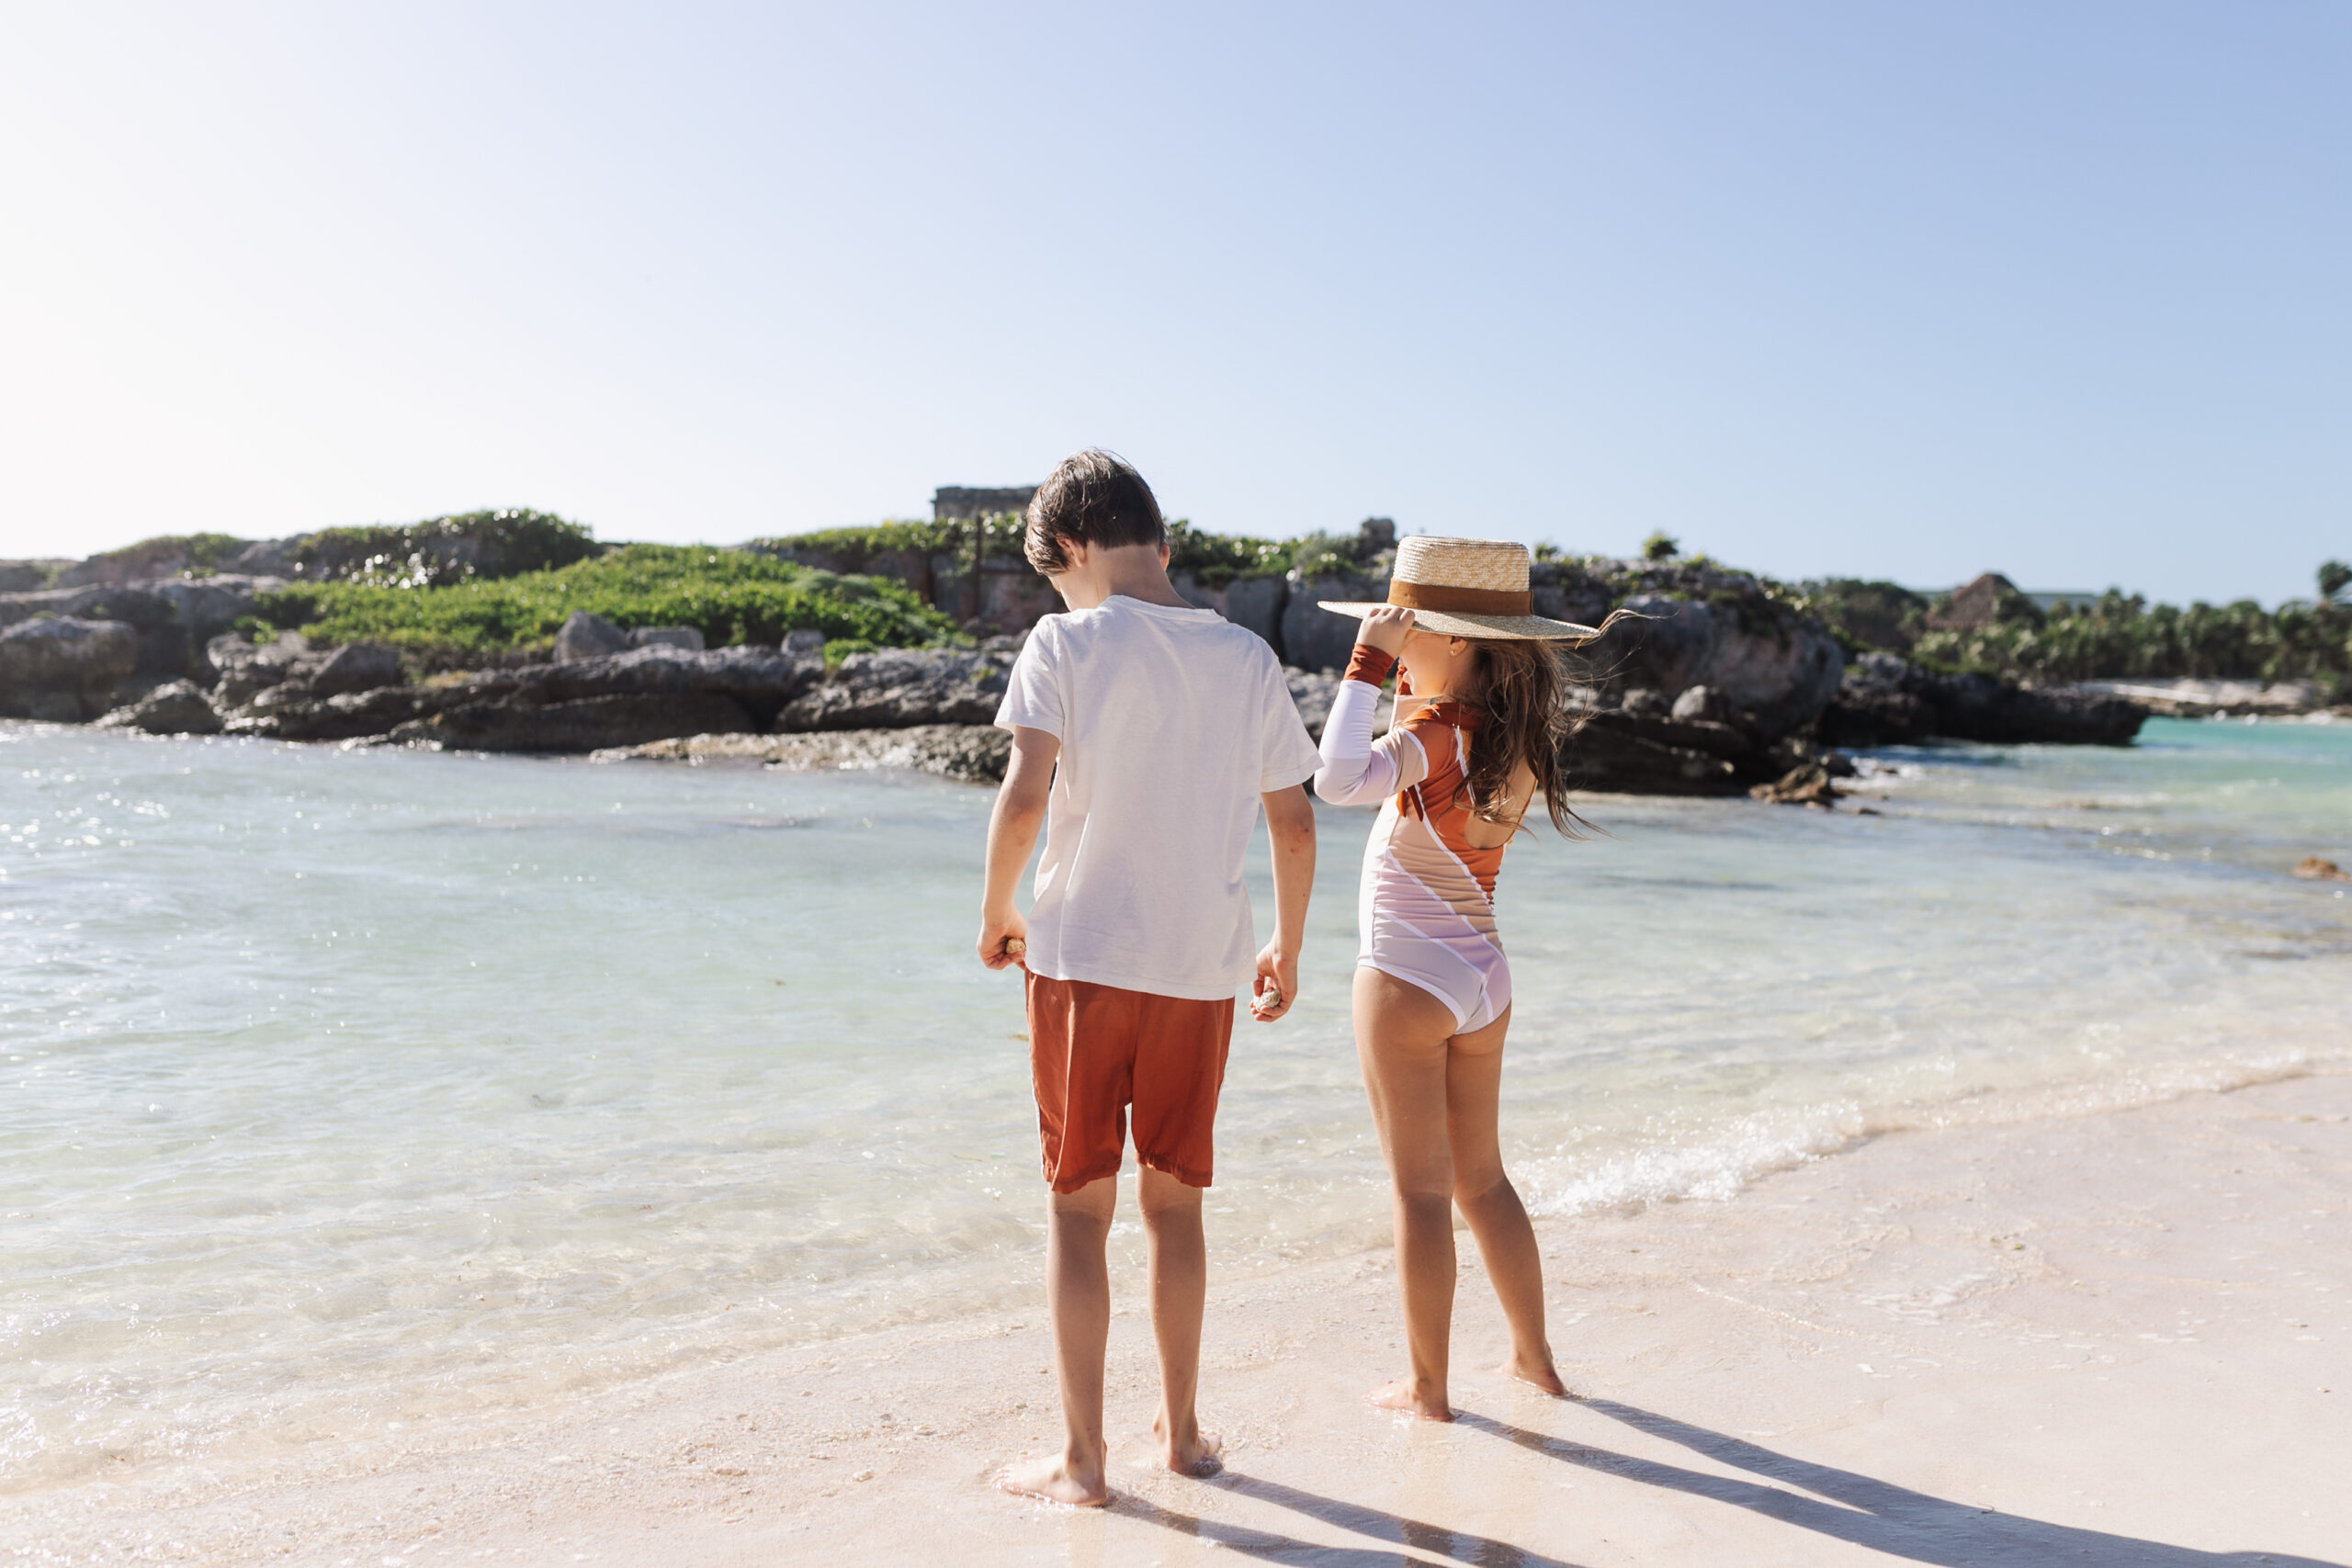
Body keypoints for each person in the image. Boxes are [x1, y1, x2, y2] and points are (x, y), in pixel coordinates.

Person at [977, 449, 1321, 1505]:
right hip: (1199, 970)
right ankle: (1180, 1433)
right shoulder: (1248, 657)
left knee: (1079, 1214)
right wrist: (1288, 947)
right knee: (1177, 1213)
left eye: (1055, 576)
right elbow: (1295, 819)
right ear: (1159, 545)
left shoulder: (1064, 641)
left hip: (1081, 961)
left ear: (1071, 550)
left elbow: (1026, 794)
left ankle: (1083, 1465)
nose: (1059, 595)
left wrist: (996, 909)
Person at [1311, 536, 1600, 1421]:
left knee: (1418, 1191)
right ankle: (1534, 1359)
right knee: (1484, 1180)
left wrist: (1366, 667)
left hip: (1407, 975)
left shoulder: (1431, 735)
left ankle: (1430, 1390)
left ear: (1461, 642)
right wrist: (1408, 682)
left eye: (1408, 629)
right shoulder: (1513, 740)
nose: (1395, 637)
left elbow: (1335, 779)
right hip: (1484, 977)